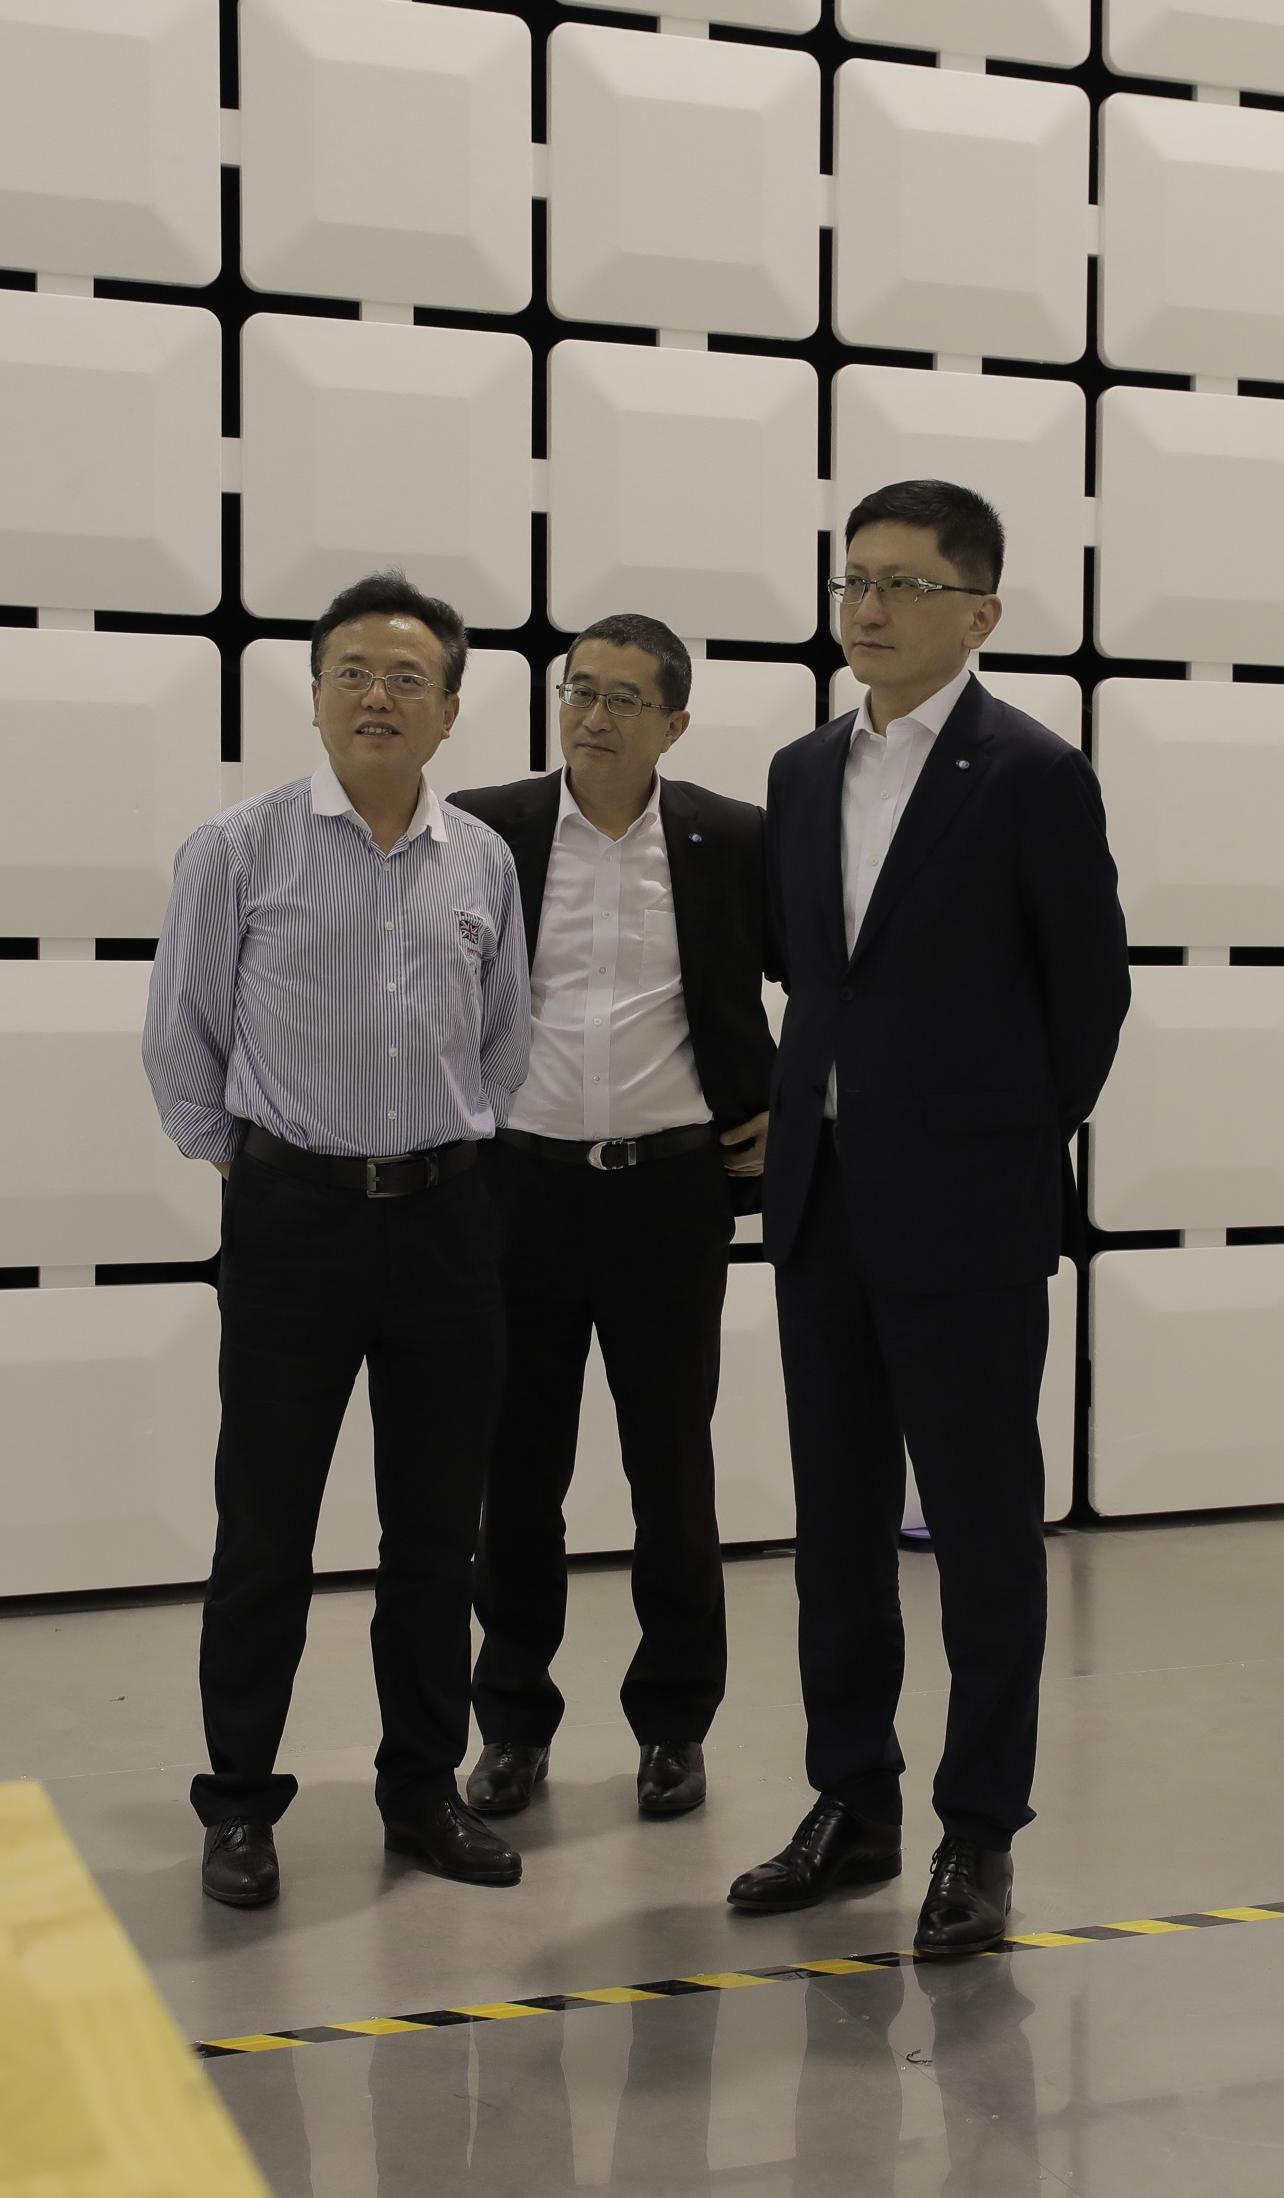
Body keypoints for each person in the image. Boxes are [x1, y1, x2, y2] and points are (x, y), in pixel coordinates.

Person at [725, 478, 1131, 1957]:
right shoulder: (798, 772)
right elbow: (810, 973)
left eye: (904, 583)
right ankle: (853, 1802)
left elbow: (1089, 999)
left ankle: (980, 1832)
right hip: (822, 1207)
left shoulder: (1031, 774)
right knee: (835, 1532)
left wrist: (992, 1143)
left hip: (969, 1214)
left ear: (981, 613)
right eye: (854, 581)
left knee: (981, 1538)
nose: (871, 608)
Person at [143, 570, 531, 1908]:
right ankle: (240, 1804)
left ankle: (422, 1791)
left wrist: (443, 1148)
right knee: (266, 1529)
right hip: (293, 1222)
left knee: (436, 1533)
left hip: (448, 1223)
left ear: (449, 710)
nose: (378, 695)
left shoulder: (482, 859)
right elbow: (180, 1039)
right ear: (314, 696)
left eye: (408, 677)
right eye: (353, 672)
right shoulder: (238, 848)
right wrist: (258, 1163)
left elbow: (505, 1036)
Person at [448, 615, 773, 1825]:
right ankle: (511, 1723)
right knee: (515, 1472)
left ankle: (674, 1723)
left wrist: (789, 1102)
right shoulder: (485, 828)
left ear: (674, 724)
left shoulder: (732, 836)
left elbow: (825, 981)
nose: (592, 715)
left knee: (670, 1469)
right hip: (517, 1188)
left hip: (669, 1192)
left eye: (625, 698)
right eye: (579, 689)